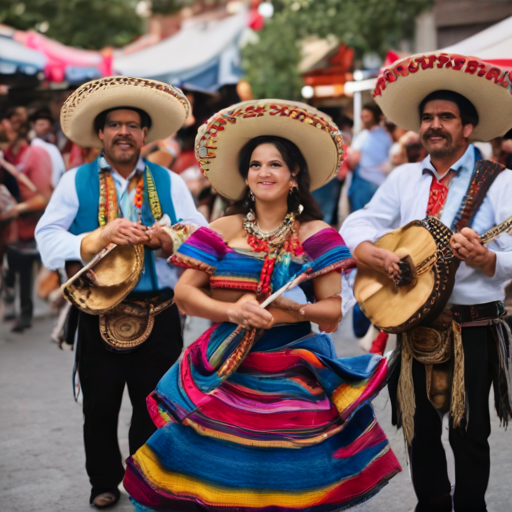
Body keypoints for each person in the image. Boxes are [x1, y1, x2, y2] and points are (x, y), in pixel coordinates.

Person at [123, 99, 401, 512]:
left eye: (274, 165)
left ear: (293, 177)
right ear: (246, 176)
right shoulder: (221, 228)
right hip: (224, 366)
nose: (263, 172)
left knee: (283, 480)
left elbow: (331, 314)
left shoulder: (315, 235)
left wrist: (296, 310)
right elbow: (185, 293)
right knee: (218, 474)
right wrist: (231, 312)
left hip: (291, 370)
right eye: (255, 165)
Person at [341, 52, 512, 512]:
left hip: (472, 326)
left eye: (447, 118)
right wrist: (370, 252)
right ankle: (433, 505)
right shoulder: (403, 178)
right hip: (413, 326)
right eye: (429, 118)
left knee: (469, 432)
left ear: (468, 127)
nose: (435, 125)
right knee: (417, 430)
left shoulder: (500, 183)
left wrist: (489, 259)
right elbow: (358, 221)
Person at [35, 76, 207, 509]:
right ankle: (103, 483)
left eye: (132, 125)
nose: (124, 132)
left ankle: (146, 481)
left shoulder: (170, 181)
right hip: (98, 312)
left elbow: (202, 236)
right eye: (114, 124)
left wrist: (166, 240)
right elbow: (47, 236)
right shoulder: (76, 181)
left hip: (160, 310)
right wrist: (95, 239)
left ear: (146, 134)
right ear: (101, 133)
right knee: (100, 406)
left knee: (153, 406)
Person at [1, 130, 53, 332]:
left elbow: (42, 197)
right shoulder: (9, 158)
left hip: (26, 222)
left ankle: (25, 312)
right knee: (13, 267)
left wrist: (17, 209)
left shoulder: (33, 155)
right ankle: (13, 304)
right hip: (11, 225)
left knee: (23, 267)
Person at [347, 102, 392, 212]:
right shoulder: (387, 136)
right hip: (382, 182)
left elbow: (354, 161)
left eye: (366, 116)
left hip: (364, 182)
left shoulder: (363, 136)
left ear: (374, 117)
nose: (364, 119)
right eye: (362, 117)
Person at [29, 109, 66, 187]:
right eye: (41, 124)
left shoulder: (52, 147)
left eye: (47, 125)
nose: (44, 128)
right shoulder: (34, 146)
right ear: (33, 125)